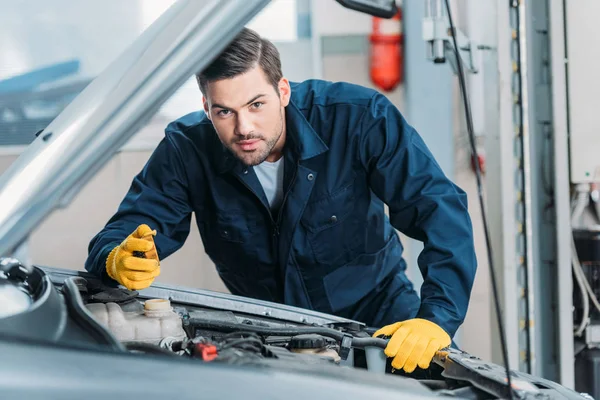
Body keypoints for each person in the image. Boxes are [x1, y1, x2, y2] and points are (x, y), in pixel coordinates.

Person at [85, 27, 477, 373]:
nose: (244, 128)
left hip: (380, 315)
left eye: (257, 105)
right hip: (268, 331)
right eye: (225, 112)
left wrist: (436, 319)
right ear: (206, 107)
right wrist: (117, 257)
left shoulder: (358, 119)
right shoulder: (186, 150)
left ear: (283, 90)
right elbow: (130, 228)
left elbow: (439, 209)